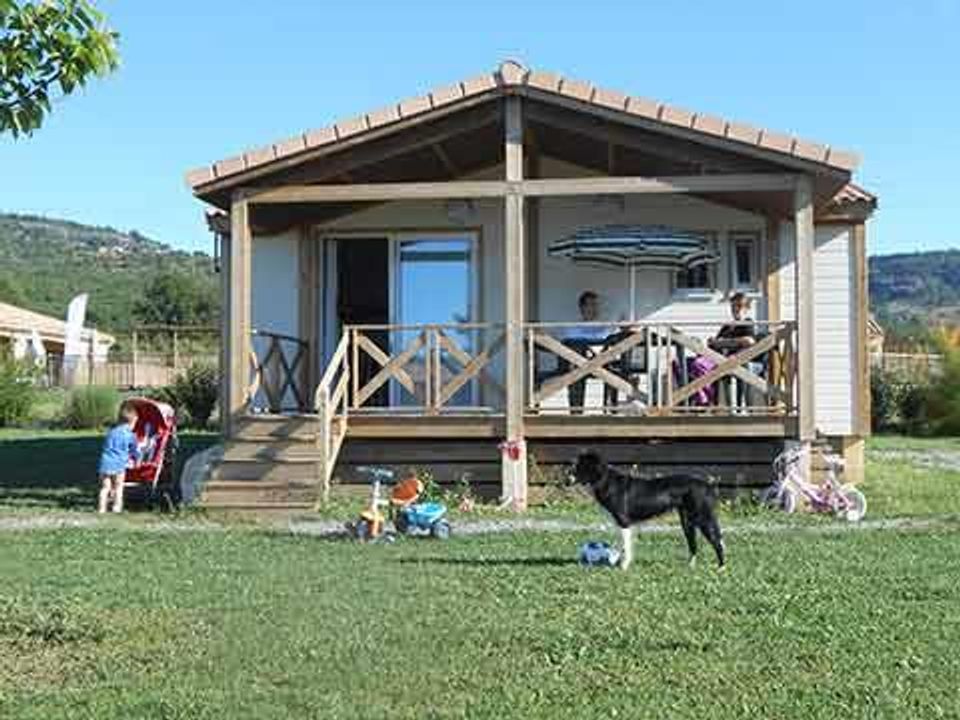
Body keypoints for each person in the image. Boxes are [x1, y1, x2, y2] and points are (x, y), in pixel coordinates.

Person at [561, 291, 625, 412]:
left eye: (596, 305)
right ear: (582, 307)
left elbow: (608, 338)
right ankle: (576, 412)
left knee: (613, 371)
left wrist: (618, 326)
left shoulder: (603, 326)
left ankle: (610, 410)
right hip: (579, 364)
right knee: (575, 374)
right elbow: (571, 339)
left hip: (603, 363)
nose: (594, 308)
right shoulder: (572, 327)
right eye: (591, 304)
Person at [709, 292, 765, 408]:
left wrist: (725, 342)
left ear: (747, 308)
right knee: (720, 366)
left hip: (748, 362)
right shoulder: (727, 326)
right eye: (733, 306)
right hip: (727, 360)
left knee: (738, 366)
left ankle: (743, 408)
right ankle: (728, 408)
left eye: (739, 305)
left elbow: (749, 341)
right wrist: (735, 342)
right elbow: (712, 342)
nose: (735, 309)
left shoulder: (747, 322)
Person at [97, 401, 141, 513]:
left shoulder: (111, 432)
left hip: (105, 462)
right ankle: (116, 507)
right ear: (133, 422)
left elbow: (106, 446)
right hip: (119, 464)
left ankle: (101, 509)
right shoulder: (131, 435)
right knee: (118, 486)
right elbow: (134, 450)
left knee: (105, 488)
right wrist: (137, 459)